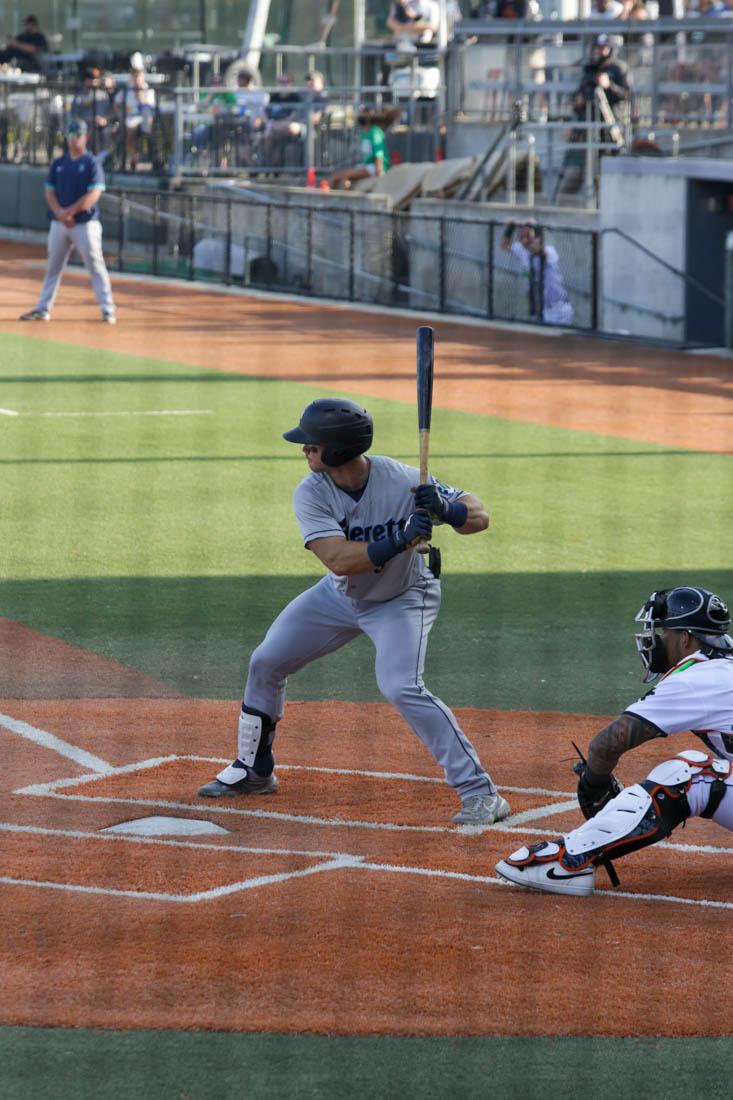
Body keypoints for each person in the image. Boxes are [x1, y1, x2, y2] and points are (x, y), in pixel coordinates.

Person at [198, 397, 510, 827]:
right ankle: (254, 773)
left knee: (402, 687)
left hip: (404, 598)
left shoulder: (400, 477)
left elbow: (480, 517)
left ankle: (481, 794)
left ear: (339, 449)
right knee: (266, 662)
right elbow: (339, 560)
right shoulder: (311, 491)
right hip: (339, 595)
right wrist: (400, 539)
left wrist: (447, 510)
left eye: (312, 445)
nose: (304, 450)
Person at [496, 586, 733, 896]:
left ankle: (566, 863)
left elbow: (607, 744)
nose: (658, 640)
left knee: (689, 775)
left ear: (685, 637)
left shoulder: (698, 679)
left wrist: (594, 783)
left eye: (664, 632)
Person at [19, 119, 116, 324]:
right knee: (53, 267)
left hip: (85, 224)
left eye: (77, 134)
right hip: (60, 223)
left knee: (96, 266)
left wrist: (70, 212)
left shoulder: (91, 163)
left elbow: (94, 193)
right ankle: (43, 309)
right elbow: (49, 191)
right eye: (71, 134)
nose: (74, 138)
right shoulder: (59, 163)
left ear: (86, 137)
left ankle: (108, 310)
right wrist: (60, 213)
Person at [501, 219, 574, 326]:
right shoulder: (522, 250)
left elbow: (537, 250)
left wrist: (533, 228)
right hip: (543, 309)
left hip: (560, 310)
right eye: (521, 233)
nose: (523, 236)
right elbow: (504, 245)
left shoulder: (549, 251)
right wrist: (510, 228)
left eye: (527, 233)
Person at [329, 107, 397, 190]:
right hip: (367, 166)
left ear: (369, 117)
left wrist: (379, 175)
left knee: (338, 176)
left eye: (363, 113)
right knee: (344, 178)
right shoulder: (364, 133)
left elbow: (379, 154)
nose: (360, 115)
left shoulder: (375, 132)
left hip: (375, 168)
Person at [70, 66, 118, 162]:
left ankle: (105, 159)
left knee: (107, 132)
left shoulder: (103, 95)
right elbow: (75, 115)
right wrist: (91, 119)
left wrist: (105, 119)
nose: (93, 81)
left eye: (95, 79)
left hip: (102, 125)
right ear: (85, 80)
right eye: (91, 79)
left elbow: (110, 112)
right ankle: (91, 159)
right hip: (86, 125)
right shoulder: (79, 96)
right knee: (89, 132)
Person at [115, 67, 156, 170]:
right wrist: (120, 115)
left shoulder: (148, 90)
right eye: (135, 76)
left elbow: (148, 108)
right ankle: (133, 158)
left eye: (139, 76)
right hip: (129, 119)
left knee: (143, 131)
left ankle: (151, 159)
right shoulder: (127, 89)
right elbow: (116, 102)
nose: (137, 79)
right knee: (128, 131)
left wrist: (139, 94)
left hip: (144, 119)